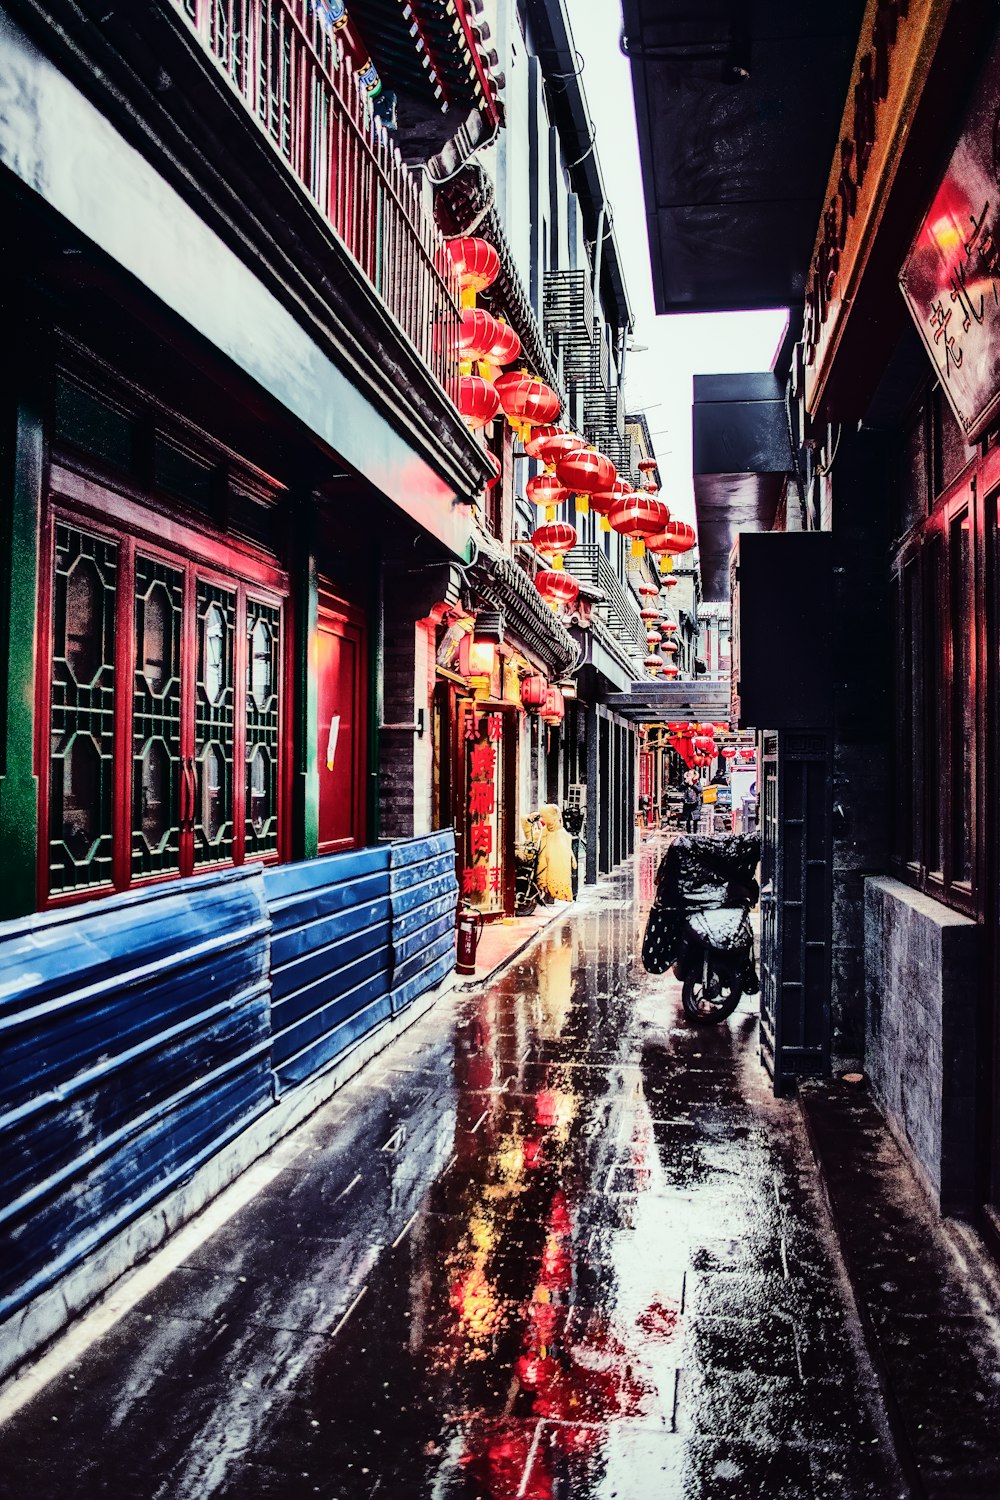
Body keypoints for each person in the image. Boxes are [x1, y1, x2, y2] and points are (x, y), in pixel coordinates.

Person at [536, 803, 576, 901]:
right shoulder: (543, 832)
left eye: (544, 816)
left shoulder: (562, 835)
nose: (542, 819)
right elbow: (531, 837)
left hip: (555, 871)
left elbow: (567, 850)